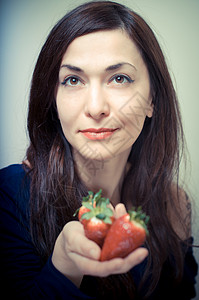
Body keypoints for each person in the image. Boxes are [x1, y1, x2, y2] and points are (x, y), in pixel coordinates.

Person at [0, 1, 198, 299]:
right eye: (73, 80)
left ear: (152, 100)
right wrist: (65, 267)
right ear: (52, 99)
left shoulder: (173, 204)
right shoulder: (9, 195)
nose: (95, 108)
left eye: (119, 78)